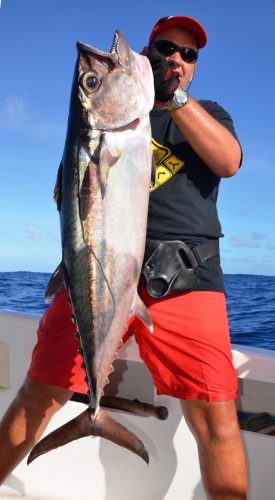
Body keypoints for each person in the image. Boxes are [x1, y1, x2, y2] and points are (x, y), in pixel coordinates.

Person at [0, 15, 247, 499]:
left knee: (215, 416)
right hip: (95, 273)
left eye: (188, 54)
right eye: (164, 48)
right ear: (147, 52)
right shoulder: (105, 125)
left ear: (194, 69)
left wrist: (173, 98)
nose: (175, 58)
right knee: (37, 395)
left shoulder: (207, 112)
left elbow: (229, 161)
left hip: (185, 281)